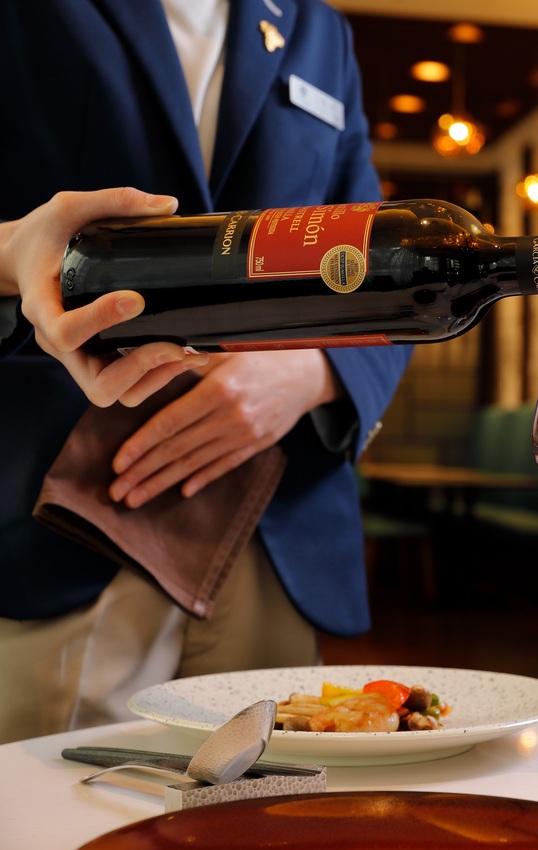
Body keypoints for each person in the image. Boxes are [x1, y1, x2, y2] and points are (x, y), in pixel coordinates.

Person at [0, 0, 413, 742]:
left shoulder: (318, 29)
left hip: (275, 516)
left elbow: (382, 262)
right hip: (61, 511)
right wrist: (10, 253)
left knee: (270, 797)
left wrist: (314, 371)